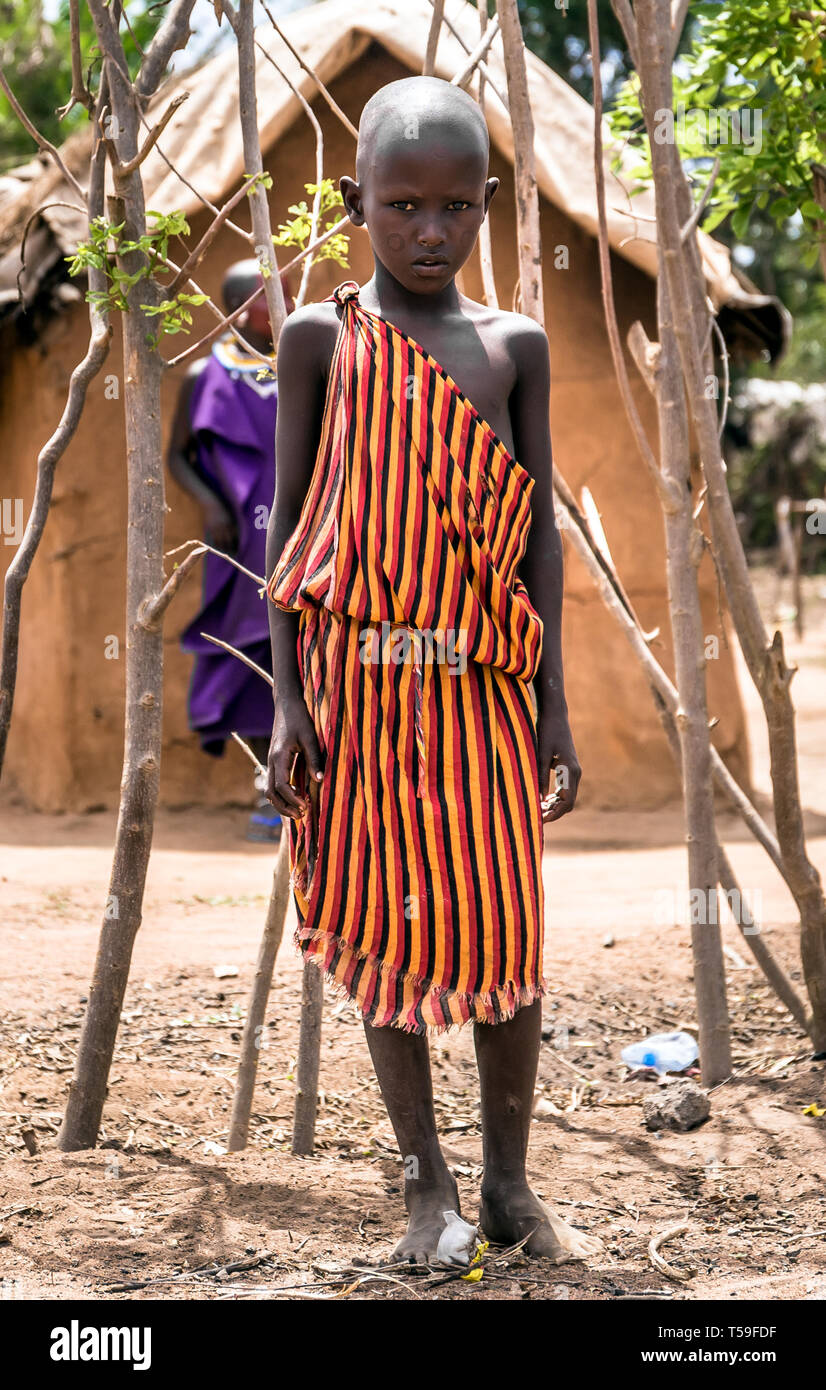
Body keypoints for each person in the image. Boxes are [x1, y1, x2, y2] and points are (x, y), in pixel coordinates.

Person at [265, 77, 600, 1265]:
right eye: (400, 205)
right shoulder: (320, 339)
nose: (426, 230)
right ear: (356, 202)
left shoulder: (515, 348)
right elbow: (289, 525)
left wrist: (555, 700)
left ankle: (508, 1184)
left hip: (482, 694)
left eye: (454, 208)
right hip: (356, 695)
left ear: (487, 208)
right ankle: (427, 1188)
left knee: (503, 934)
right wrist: (290, 698)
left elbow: (538, 536)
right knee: (379, 928)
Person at [167, 261, 293, 840]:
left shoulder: (303, 363)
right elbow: (179, 457)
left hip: (302, 533)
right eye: (275, 297)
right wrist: (213, 505)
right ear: (245, 309)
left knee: (305, 653)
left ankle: (309, 789)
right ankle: (268, 791)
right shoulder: (204, 374)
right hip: (241, 540)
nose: (286, 304)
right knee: (249, 656)